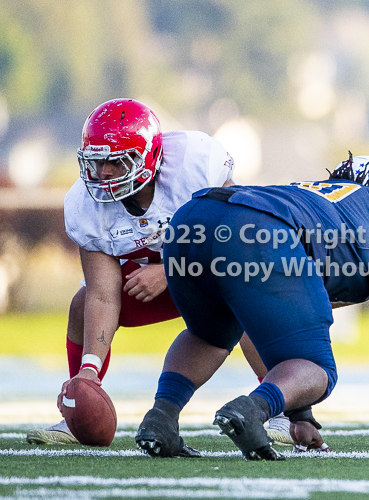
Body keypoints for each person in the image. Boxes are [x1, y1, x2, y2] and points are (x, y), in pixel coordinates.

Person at [26, 98, 291, 449]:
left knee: (244, 298)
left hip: (217, 271)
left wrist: (170, 270)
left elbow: (234, 239)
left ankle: (285, 413)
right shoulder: (85, 205)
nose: (103, 173)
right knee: (80, 304)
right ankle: (81, 404)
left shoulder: (193, 163)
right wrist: (89, 370)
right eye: (97, 161)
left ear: (148, 156)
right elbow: (103, 294)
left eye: (114, 161)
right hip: (153, 284)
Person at [134, 154, 369, 460]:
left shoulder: (307, 196)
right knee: (320, 370)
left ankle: (162, 417)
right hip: (255, 231)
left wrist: (300, 415)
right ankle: (251, 410)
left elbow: (269, 325)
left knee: (209, 335)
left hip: (192, 218)